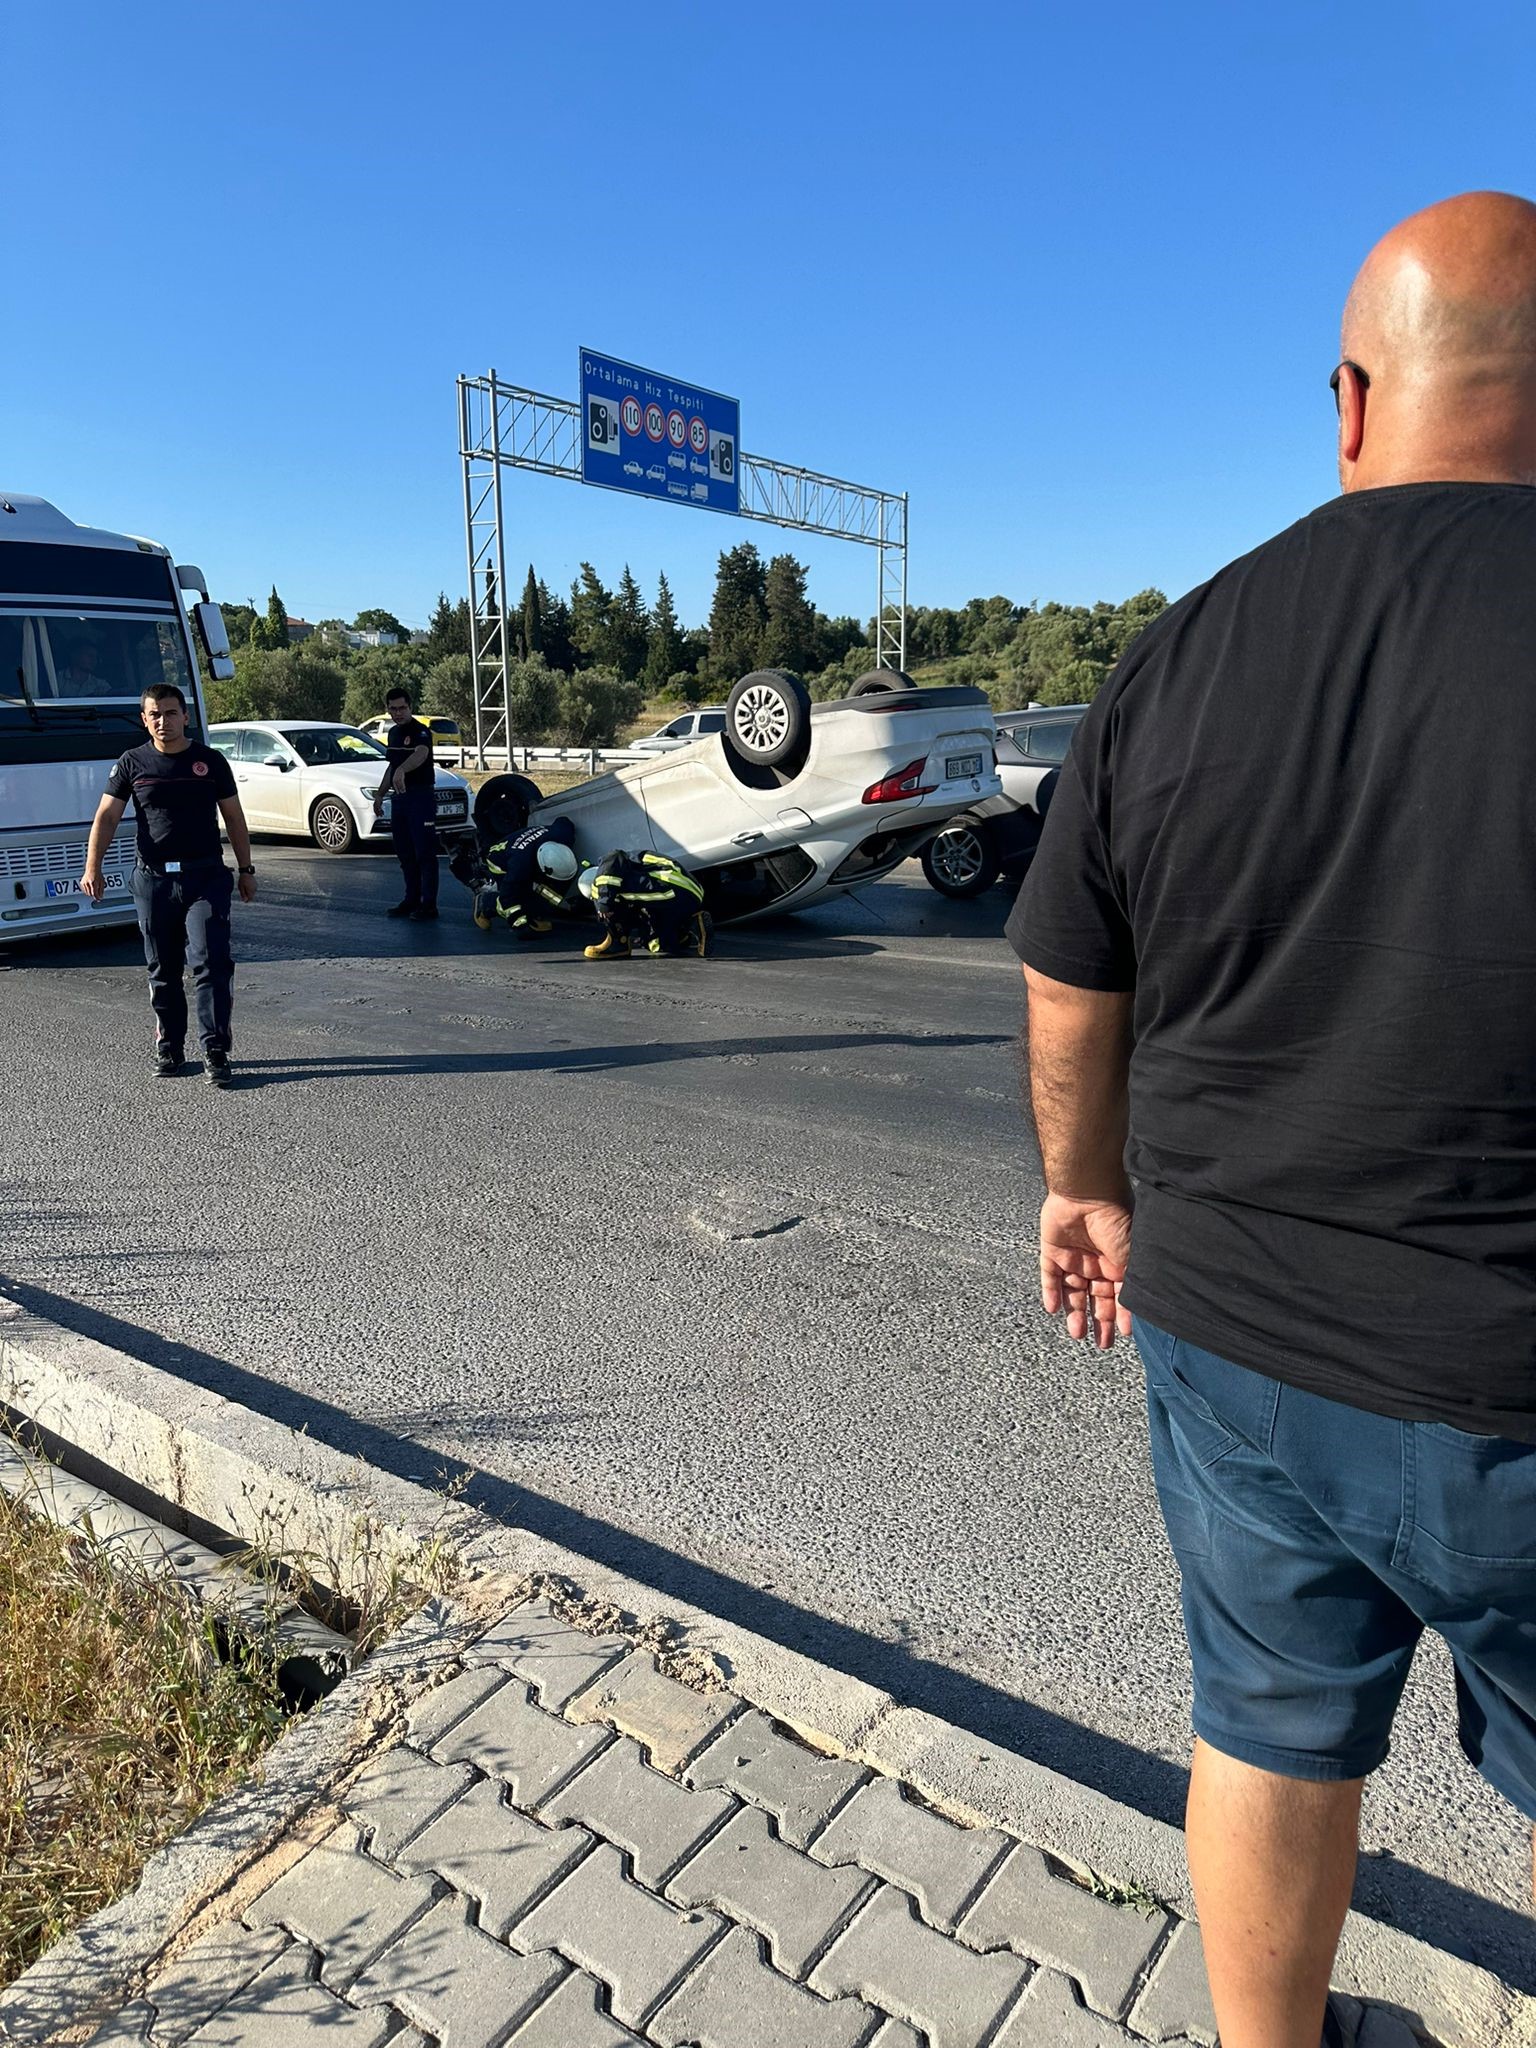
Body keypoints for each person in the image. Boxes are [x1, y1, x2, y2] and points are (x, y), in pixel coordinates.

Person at [1009, 190, 1536, 2048]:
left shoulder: (1183, 649)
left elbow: (1072, 981)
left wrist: (1082, 1186)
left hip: (1237, 1351)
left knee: (1266, 1723)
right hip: (1513, 1375)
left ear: (1349, 399)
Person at [81, 682, 256, 1087]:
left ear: (185, 716)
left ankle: (215, 1048)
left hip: (205, 877)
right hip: (154, 880)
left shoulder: (209, 762)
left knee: (211, 961)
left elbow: (234, 817)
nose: (164, 721)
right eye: (155, 714)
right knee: (163, 968)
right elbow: (106, 817)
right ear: (145, 720)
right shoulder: (131, 763)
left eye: (171, 712)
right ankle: (170, 1046)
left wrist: (246, 870)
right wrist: (94, 867)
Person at [373, 687, 438, 920]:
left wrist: (404, 769)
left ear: (410, 707)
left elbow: (420, 754)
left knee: (424, 853)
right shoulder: (393, 734)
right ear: (388, 709)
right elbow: (391, 767)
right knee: (405, 853)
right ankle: (411, 900)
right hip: (399, 799)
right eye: (393, 709)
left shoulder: (420, 731)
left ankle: (428, 904)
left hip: (420, 797)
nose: (398, 713)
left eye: (402, 708)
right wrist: (380, 795)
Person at [578, 848, 711, 959]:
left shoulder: (608, 863)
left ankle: (618, 944)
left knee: (603, 894)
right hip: (686, 896)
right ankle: (689, 926)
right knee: (655, 944)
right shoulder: (632, 871)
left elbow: (614, 858)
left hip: (671, 885)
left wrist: (603, 904)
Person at [474, 815, 579, 936]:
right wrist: (520, 924)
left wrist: (568, 906)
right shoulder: (520, 866)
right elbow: (507, 898)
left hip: (527, 851)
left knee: (545, 896)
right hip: (500, 862)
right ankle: (486, 902)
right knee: (518, 896)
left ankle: (535, 910)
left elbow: (563, 820)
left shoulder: (563, 835)